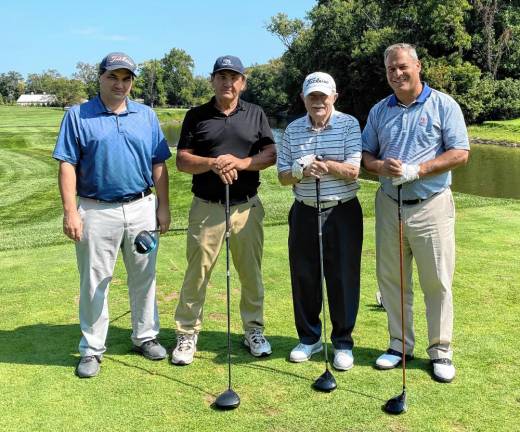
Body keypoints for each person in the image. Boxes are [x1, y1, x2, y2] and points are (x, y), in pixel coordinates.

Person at [52, 52, 171, 378]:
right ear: (100, 78)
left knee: (144, 277)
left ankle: (145, 336)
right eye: (113, 78)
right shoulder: (78, 115)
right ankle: (92, 349)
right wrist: (70, 212)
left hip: (141, 208)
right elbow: (67, 165)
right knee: (94, 282)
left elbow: (159, 164)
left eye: (126, 79)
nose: (120, 84)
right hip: (95, 208)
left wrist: (163, 206)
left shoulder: (146, 116)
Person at [362, 43, 470, 383]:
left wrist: (418, 170)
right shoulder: (380, 110)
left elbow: (460, 152)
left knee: (436, 281)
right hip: (389, 205)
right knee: (392, 280)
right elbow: (366, 156)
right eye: (391, 69)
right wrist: (381, 165)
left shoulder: (443, 105)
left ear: (418, 66)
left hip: (430, 205)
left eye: (402, 67)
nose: (397, 73)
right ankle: (399, 345)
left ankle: (440, 350)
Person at [172, 55, 276, 365]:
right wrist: (213, 164)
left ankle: (253, 330)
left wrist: (242, 163)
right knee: (197, 273)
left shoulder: (255, 114)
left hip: (246, 206)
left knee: (250, 273)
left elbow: (270, 153)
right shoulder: (196, 115)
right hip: (207, 208)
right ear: (213, 80)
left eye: (234, 77)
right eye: (222, 76)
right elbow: (182, 160)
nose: (228, 82)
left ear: (243, 83)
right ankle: (187, 334)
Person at [277, 72, 363, 371]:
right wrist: (300, 170)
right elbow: (281, 177)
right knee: (304, 277)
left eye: (323, 97)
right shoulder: (292, 130)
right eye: (312, 97)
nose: (318, 102)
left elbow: (354, 170)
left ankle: (342, 342)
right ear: (304, 98)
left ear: (334, 97)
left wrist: (325, 166)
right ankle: (310, 338)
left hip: (342, 211)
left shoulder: (349, 124)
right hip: (303, 209)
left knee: (342, 278)